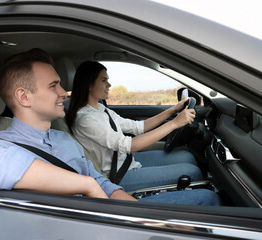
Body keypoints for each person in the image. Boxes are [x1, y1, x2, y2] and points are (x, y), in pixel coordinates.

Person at [0, 48, 220, 205]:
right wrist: (84, 185)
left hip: (108, 214)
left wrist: (137, 215)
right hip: (86, 223)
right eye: (54, 86)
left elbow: (102, 184)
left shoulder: (63, 140)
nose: (64, 92)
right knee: (206, 199)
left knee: (205, 198)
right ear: (24, 97)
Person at [66, 61, 203, 192]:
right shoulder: (85, 119)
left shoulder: (100, 109)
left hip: (128, 161)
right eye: (103, 80)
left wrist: (173, 110)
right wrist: (174, 123)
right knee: (193, 172)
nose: (109, 84)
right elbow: (129, 146)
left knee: (187, 157)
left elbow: (138, 127)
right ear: (88, 85)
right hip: (119, 174)